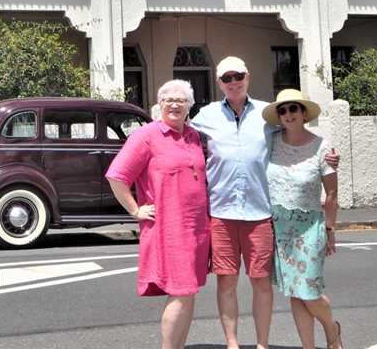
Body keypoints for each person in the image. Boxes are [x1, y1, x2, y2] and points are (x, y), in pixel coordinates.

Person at [190, 56, 339, 349]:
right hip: (221, 212)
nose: (233, 82)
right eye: (227, 78)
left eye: (238, 76)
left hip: (260, 214)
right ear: (219, 82)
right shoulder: (205, 116)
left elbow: (297, 136)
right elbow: (182, 142)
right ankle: (232, 343)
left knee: (261, 282)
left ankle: (262, 344)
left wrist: (328, 156)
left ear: (248, 76)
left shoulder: (265, 115)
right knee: (226, 283)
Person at [106, 79, 211, 349]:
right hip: (169, 229)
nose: (175, 105)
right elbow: (117, 176)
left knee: (189, 294)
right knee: (181, 291)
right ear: (159, 104)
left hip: (196, 229)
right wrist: (135, 209)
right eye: (169, 100)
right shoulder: (146, 136)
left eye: (181, 100)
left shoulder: (194, 136)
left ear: (190, 106)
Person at [263, 88, 343, 349]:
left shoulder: (322, 148)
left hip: (309, 227)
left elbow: (332, 193)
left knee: (308, 291)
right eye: (282, 110)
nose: (288, 114)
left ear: (303, 112)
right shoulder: (271, 141)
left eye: (293, 108)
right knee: (295, 293)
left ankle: (332, 330)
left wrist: (330, 229)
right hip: (279, 227)